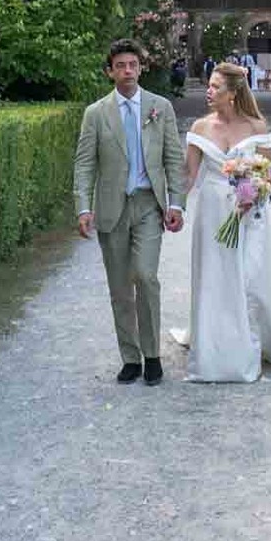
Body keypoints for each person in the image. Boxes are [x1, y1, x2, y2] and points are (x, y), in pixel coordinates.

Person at [170, 62, 271, 382]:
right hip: (213, 211)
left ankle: (254, 339)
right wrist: (175, 206)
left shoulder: (257, 127)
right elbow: (188, 176)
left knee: (251, 279)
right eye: (209, 85)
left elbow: (266, 173)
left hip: (251, 213)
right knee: (216, 277)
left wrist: (252, 196)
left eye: (216, 87)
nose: (209, 91)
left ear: (232, 94)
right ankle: (218, 347)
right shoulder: (199, 128)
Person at [74, 39, 186, 386]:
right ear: (110, 71)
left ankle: (152, 356)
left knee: (146, 276)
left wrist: (176, 202)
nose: (127, 71)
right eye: (120, 65)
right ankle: (130, 358)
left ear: (140, 68)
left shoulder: (160, 107)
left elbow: (172, 158)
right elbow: (84, 164)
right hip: (111, 209)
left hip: (148, 205)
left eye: (132, 65)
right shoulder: (96, 113)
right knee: (120, 288)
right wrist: (83, 207)